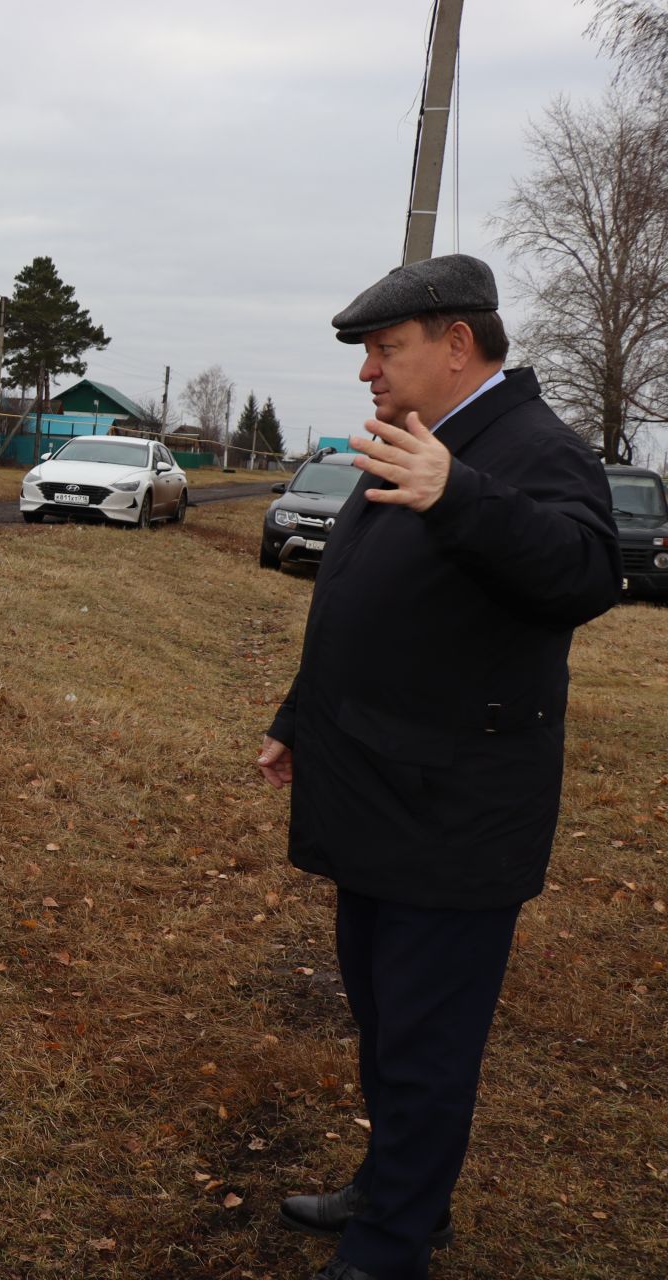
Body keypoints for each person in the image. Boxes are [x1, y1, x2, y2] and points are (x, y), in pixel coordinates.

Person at [257, 254, 620, 1280]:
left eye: (386, 348)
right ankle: (398, 1189)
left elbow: (585, 569)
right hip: (380, 783)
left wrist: (459, 493)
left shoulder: (529, 445)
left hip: (455, 810)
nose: (369, 371)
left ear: (457, 344)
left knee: (425, 1042)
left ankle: (389, 1247)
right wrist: (298, 713)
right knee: (383, 1018)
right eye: (368, 353)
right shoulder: (427, 440)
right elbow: (360, 599)